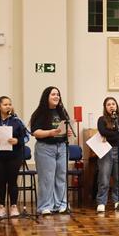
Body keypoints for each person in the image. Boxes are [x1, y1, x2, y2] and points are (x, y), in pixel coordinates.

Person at [0, 96, 30, 218]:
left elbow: (27, 137)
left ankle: (13, 206)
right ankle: (1, 207)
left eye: (10, 104)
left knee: (12, 182)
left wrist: (17, 141)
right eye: (5, 104)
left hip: (14, 156)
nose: (8, 106)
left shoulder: (17, 121)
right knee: (1, 182)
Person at [30, 86, 72, 216]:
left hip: (62, 147)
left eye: (58, 94)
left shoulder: (62, 112)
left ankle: (61, 205)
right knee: (46, 178)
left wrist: (67, 132)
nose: (56, 96)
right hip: (45, 148)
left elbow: (64, 128)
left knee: (61, 177)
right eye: (53, 94)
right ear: (46, 97)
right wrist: (50, 133)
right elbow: (35, 132)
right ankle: (45, 206)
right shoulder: (40, 113)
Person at [96, 97, 119, 213]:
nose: (111, 106)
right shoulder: (101, 119)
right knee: (104, 178)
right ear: (105, 107)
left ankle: (118, 201)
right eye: (108, 104)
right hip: (106, 150)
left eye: (113, 104)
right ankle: (101, 202)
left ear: (116, 106)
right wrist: (115, 134)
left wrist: (109, 135)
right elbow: (103, 132)